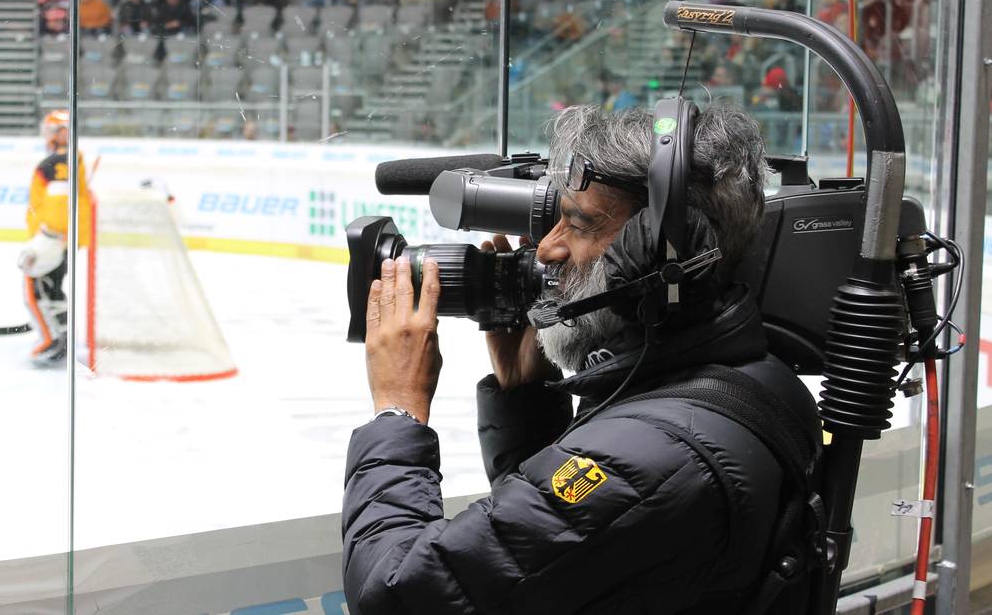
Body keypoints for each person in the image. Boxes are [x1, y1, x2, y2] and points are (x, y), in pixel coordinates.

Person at [343, 105, 821, 612]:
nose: (546, 249)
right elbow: (562, 560)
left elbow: (395, 593)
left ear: (660, 257)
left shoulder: (649, 458)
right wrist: (524, 397)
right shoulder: (740, 380)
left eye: (578, 223)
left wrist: (398, 408)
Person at [18, 109, 91, 366]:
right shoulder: (66, 159)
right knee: (50, 285)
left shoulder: (60, 161)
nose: (47, 135)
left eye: (52, 130)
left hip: (56, 236)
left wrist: (52, 235)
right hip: (61, 236)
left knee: (36, 285)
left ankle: (54, 340)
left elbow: (61, 201)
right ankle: (60, 335)